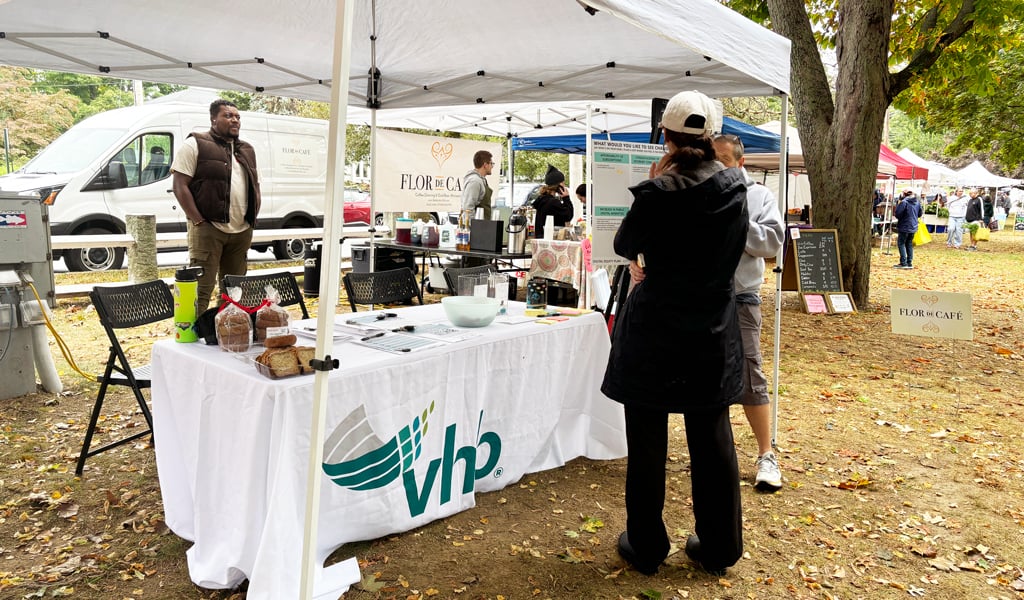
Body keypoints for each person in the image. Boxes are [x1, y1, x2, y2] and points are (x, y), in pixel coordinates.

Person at [602, 90, 748, 577]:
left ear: (664, 136)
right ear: (710, 138)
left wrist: (653, 184)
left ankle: (645, 546)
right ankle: (721, 546)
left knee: (647, 439)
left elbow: (625, 243)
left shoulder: (658, 193)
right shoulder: (735, 189)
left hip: (656, 331)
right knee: (712, 436)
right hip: (712, 328)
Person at [712, 133, 785, 491]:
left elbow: (772, 241)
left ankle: (766, 454)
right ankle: (714, 453)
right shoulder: (696, 194)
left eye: (723, 160)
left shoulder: (757, 196)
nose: (716, 167)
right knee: (706, 377)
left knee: (750, 373)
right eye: (711, 160)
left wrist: (734, 222)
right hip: (702, 299)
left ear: (740, 163)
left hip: (741, 298)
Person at [171, 99, 261, 313]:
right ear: (213, 119)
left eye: (237, 116)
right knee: (201, 288)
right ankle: (193, 338)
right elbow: (179, 186)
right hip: (208, 228)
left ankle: (224, 330)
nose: (235, 120)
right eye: (228, 115)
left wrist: (251, 219)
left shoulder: (247, 149)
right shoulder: (195, 143)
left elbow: (254, 185)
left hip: (241, 230)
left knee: (234, 290)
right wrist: (199, 220)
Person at [532, 165, 574, 239]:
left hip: (541, 238)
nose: (564, 186)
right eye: (563, 183)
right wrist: (566, 198)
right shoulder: (553, 202)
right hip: (551, 239)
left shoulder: (542, 199)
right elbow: (568, 216)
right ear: (558, 185)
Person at [460, 150, 494, 220]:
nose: (492, 166)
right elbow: (468, 209)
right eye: (491, 163)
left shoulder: (481, 180)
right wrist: (474, 228)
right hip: (477, 228)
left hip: (482, 226)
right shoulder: (475, 181)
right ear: (485, 165)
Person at [893, 189, 922, 268]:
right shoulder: (917, 203)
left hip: (904, 226)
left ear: (904, 194)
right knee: (909, 243)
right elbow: (919, 214)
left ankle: (903, 262)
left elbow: (898, 214)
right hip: (913, 226)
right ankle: (909, 262)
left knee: (901, 243)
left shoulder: (904, 202)